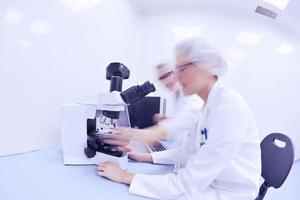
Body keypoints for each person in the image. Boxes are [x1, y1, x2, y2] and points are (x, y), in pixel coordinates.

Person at [97, 37, 261, 200]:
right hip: (210, 184)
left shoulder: (229, 107)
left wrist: (125, 176)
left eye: (182, 68)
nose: (177, 76)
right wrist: (144, 157)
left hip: (229, 194)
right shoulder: (208, 107)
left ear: (206, 65)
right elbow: (187, 152)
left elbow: (186, 185)